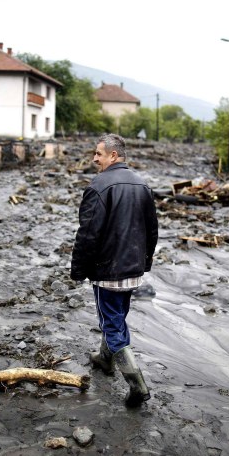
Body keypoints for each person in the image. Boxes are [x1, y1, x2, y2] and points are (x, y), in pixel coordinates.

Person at [70, 133, 158, 407]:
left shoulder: (98, 185)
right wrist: (144, 263)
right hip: (132, 269)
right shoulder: (142, 184)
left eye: (98, 153)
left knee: (112, 325)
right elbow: (152, 230)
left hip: (107, 271)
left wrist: (78, 269)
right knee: (117, 318)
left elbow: (88, 234)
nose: (94, 158)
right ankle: (104, 359)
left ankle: (137, 385)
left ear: (113, 155)